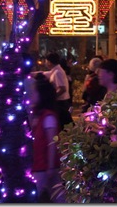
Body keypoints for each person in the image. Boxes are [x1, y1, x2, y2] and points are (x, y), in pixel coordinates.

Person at [30, 73, 62, 202]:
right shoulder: (39, 115)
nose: (32, 96)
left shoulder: (48, 117)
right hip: (40, 165)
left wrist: (49, 166)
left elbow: (52, 142)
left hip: (45, 166)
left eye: (34, 93)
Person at [37, 52, 73, 129]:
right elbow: (44, 73)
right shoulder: (56, 70)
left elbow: (62, 89)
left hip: (61, 103)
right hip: (61, 102)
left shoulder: (57, 72)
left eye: (46, 61)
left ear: (49, 62)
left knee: (62, 125)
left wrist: (52, 97)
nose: (45, 63)